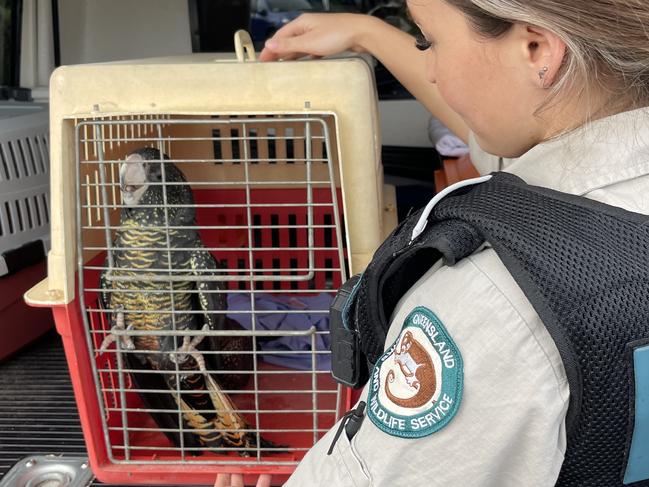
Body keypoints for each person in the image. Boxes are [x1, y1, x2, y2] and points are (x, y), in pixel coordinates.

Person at [218, 1, 649, 485]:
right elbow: (510, 118)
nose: (432, 70)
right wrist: (369, 34)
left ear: (536, 49)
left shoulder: (490, 297)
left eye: (430, 42)